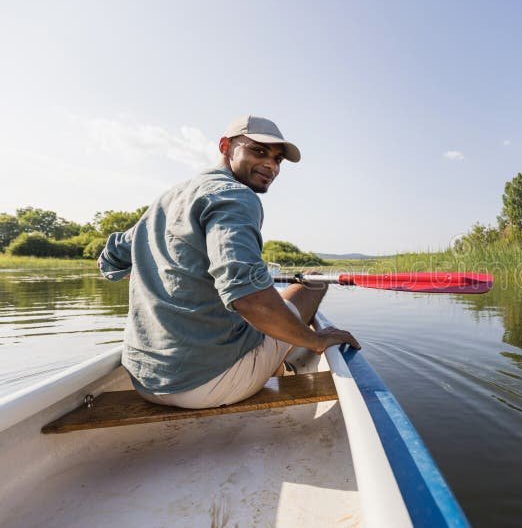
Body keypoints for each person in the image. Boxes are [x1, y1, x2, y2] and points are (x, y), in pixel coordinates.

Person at [98, 115, 360, 409]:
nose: (271, 166)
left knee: (264, 311)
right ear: (226, 147)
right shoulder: (236, 197)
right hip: (205, 384)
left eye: (277, 159)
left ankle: (275, 361)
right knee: (310, 283)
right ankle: (288, 363)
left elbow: (110, 261)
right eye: (258, 151)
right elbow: (251, 301)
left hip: (144, 380)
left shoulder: (165, 201)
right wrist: (317, 341)